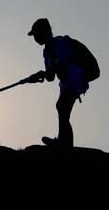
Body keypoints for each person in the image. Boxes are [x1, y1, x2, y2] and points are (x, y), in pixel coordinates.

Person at [23, 18, 93, 148]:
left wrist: (44, 73)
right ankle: (64, 141)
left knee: (62, 106)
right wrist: (38, 76)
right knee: (62, 108)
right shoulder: (46, 52)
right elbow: (50, 77)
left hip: (75, 75)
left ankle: (64, 143)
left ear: (46, 31)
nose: (35, 38)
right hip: (66, 81)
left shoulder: (60, 42)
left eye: (36, 34)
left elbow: (63, 63)